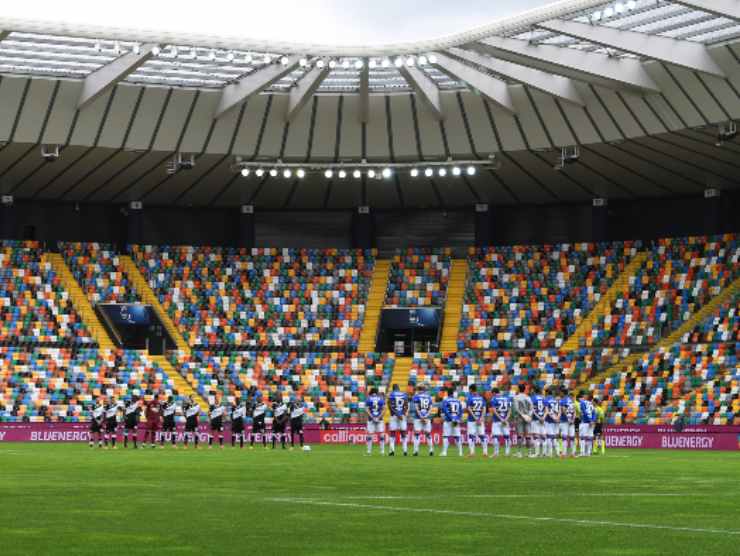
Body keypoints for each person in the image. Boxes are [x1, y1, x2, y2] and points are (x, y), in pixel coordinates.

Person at [411, 384, 434, 456]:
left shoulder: (416, 396)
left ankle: (415, 451)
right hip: (427, 417)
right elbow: (430, 408)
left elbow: (416, 407)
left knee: (417, 434)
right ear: (424, 390)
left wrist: (421, 416)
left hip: (418, 418)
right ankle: (431, 450)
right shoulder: (429, 397)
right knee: (428, 434)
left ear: (418, 389)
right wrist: (426, 416)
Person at [440, 387, 463, 457]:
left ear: (447, 393)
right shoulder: (458, 401)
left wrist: (451, 418)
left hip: (448, 420)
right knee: (457, 436)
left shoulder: (445, 400)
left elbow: (445, 411)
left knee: (445, 436)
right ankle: (460, 452)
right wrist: (457, 419)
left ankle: (444, 452)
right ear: (453, 393)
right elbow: (460, 411)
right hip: (456, 420)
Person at [465, 385, 487, 457]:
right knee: (482, 436)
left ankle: (472, 453)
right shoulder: (481, 398)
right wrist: (481, 418)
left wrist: (475, 418)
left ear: (471, 390)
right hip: (480, 420)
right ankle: (485, 452)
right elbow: (484, 408)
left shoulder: (470, 398)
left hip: (472, 420)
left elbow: (469, 409)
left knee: (471, 436)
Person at [512, 383, 533, 458]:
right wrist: (528, 416)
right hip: (527, 418)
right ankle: (530, 452)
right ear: (524, 389)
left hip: (519, 418)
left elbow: (516, 409)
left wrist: (522, 415)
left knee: (520, 435)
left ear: (518, 389)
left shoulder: (516, 398)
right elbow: (531, 408)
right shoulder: (528, 397)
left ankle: (519, 452)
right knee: (528, 435)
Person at [387, 384, 409, 456]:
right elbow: (406, 405)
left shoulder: (391, 394)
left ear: (393, 388)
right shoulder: (404, 394)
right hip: (402, 416)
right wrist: (402, 413)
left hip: (394, 415)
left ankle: (392, 451)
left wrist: (397, 414)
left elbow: (390, 406)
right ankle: (405, 451)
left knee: (392, 433)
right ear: (399, 388)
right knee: (403, 433)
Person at [490, 387, 511, 458]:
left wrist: (501, 419)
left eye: (492, 394)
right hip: (505, 420)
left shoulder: (494, 399)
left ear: (494, 393)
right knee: (507, 437)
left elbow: (494, 410)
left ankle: (496, 453)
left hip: (497, 421)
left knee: (495, 437)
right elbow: (509, 410)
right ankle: (507, 453)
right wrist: (505, 419)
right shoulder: (507, 398)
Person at [365, 387, 385, 455]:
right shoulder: (381, 399)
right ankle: (382, 451)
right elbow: (383, 409)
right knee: (381, 434)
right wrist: (379, 417)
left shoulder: (368, 399)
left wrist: (372, 417)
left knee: (370, 435)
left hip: (371, 419)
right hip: (380, 419)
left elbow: (367, 410)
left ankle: (369, 451)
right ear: (377, 392)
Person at [559, 387, 577, 458]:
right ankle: (573, 453)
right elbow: (574, 411)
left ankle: (564, 453)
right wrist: (573, 419)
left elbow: (563, 410)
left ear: (563, 393)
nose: (560, 393)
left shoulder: (562, 400)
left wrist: (568, 419)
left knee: (564, 437)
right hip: (572, 421)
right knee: (572, 437)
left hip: (565, 421)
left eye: (560, 392)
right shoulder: (571, 400)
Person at [578, 391, 596, 457]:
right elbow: (594, 413)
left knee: (582, 438)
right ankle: (588, 453)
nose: (583, 397)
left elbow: (584, 412)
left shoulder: (582, 403)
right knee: (589, 438)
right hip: (591, 423)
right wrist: (592, 421)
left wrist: (589, 420)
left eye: (583, 395)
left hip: (585, 422)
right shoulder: (591, 404)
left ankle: (582, 452)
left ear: (586, 396)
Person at [530, 386, 547, 458]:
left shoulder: (532, 398)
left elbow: (532, 410)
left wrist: (539, 417)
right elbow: (546, 410)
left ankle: (537, 453)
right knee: (543, 437)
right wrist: (543, 417)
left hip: (535, 419)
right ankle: (544, 453)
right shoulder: (543, 399)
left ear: (534, 391)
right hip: (543, 419)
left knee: (536, 437)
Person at [544, 386, 561, 458]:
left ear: (547, 393)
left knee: (549, 437)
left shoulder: (546, 400)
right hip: (556, 421)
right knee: (554, 437)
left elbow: (548, 411)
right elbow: (559, 410)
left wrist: (554, 418)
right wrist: (557, 418)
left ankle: (550, 453)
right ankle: (557, 452)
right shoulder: (556, 400)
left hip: (549, 421)